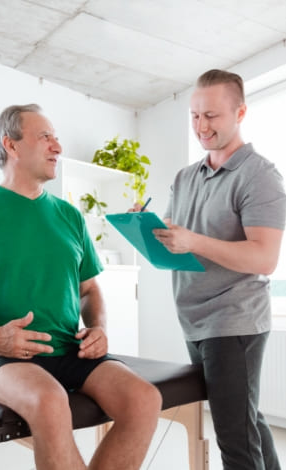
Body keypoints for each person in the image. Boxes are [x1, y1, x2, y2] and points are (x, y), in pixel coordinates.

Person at [0, 104, 162, 470]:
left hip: (69, 350)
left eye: (56, 138)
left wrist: (99, 328)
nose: (57, 146)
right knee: (49, 400)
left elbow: (90, 290)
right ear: (10, 145)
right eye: (45, 136)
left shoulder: (70, 216)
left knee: (143, 399)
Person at [135, 69, 286, 470]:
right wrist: (144, 228)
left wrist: (194, 241)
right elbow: (173, 246)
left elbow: (264, 258)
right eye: (194, 116)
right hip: (195, 319)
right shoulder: (185, 178)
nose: (201, 126)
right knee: (246, 420)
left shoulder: (260, 176)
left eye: (212, 116)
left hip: (234, 322)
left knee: (234, 438)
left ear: (240, 113)